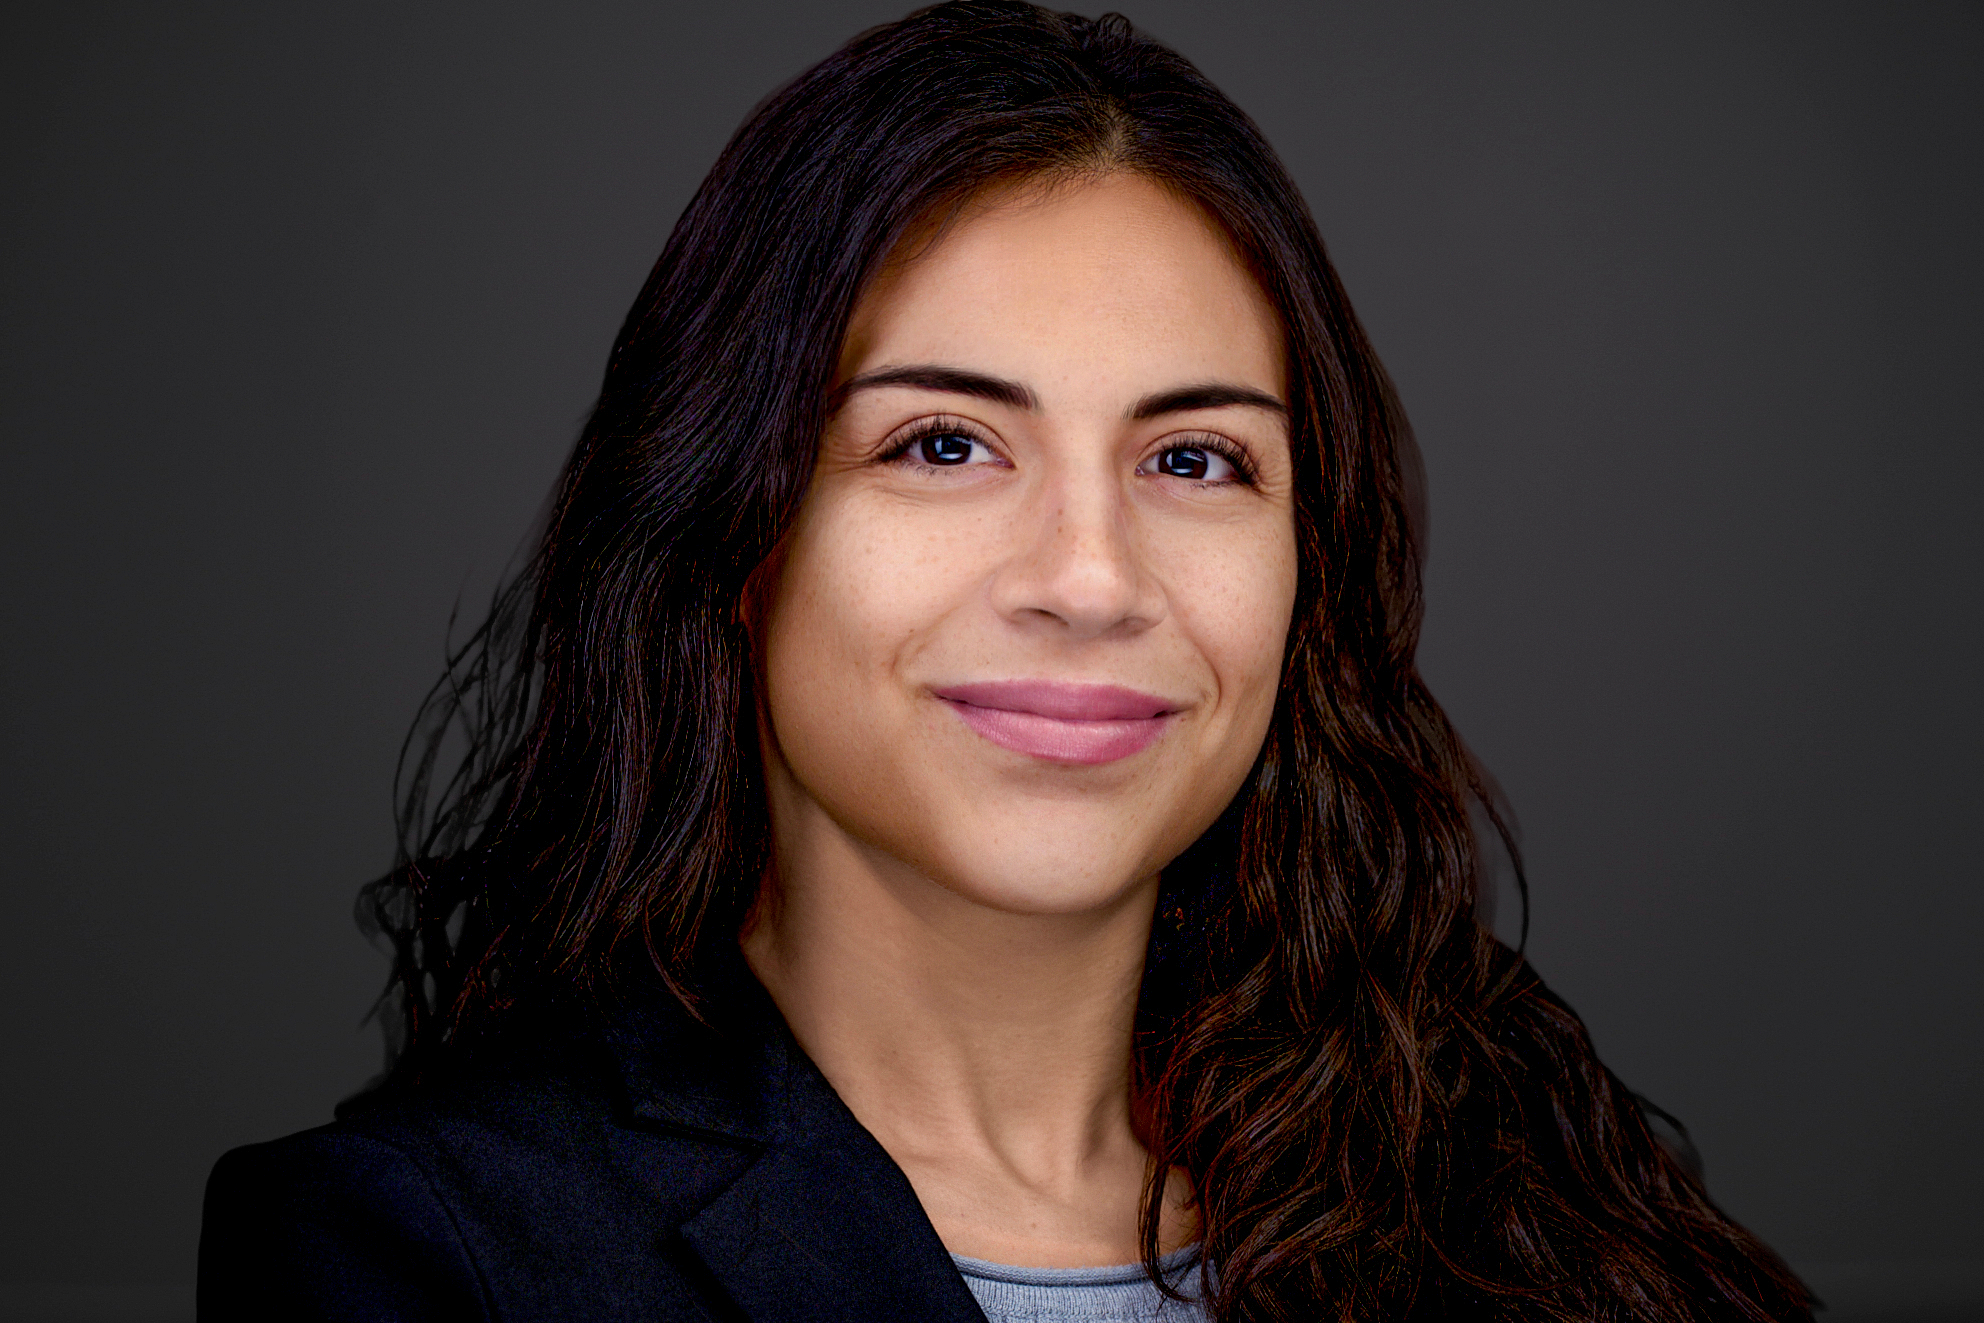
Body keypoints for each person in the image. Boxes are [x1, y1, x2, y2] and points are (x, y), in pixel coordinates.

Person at [197, 3, 1815, 1319]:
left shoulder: (1532, 1201)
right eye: (945, 442)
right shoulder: (422, 1256)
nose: (1094, 579)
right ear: (730, 531)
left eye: (1194, 461)